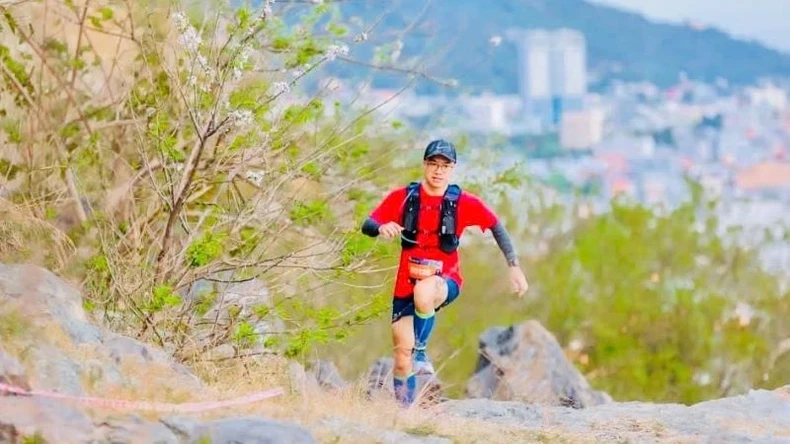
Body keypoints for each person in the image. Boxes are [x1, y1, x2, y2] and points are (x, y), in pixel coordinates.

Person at [359, 139, 529, 407]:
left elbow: (497, 226)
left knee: (424, 292)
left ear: (453, 169)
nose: (438, 171)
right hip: (405, 283)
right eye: (433, 164)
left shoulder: (463, 202)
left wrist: (514, 266)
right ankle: (405, 412)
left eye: (445, 166)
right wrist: (381, 228)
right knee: (402, 357)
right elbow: (368, 223)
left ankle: (421, 352)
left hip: (444, 280)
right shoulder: (404, 198)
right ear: (424, 165)